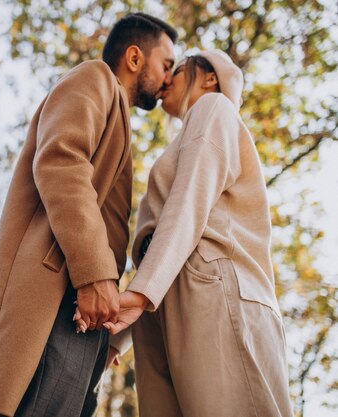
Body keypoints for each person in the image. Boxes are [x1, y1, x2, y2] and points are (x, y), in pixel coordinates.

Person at [0, 13, 177, 417]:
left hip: (82, 312)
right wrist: (95, 274)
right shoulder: (94, 78)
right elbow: (61, 160)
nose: (168, 80)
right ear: (136, 58)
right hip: (58, 296)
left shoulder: (119, 117)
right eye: (166, 64)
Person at [77, 50, 294, 416]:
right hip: (167, 303)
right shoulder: (188, 134)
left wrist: (142, 293)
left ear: (210, 78)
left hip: (213, 288)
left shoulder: (214, 108)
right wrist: (120, 337)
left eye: (176, 70)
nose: (165, 82)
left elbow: (191, 202)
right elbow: (159, 244)